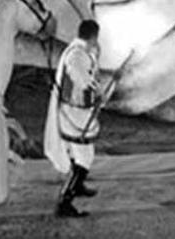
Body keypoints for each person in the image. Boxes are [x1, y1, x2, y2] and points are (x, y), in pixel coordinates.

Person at [45, 19, 104, 218]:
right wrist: (97, 90)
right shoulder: (77, 54)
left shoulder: (82, 51)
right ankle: (64, 202)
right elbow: (80, 78)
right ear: (94, 36)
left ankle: (76, 185)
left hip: (77, 112)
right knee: (85, 157)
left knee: (85, 153)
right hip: (73, 113)